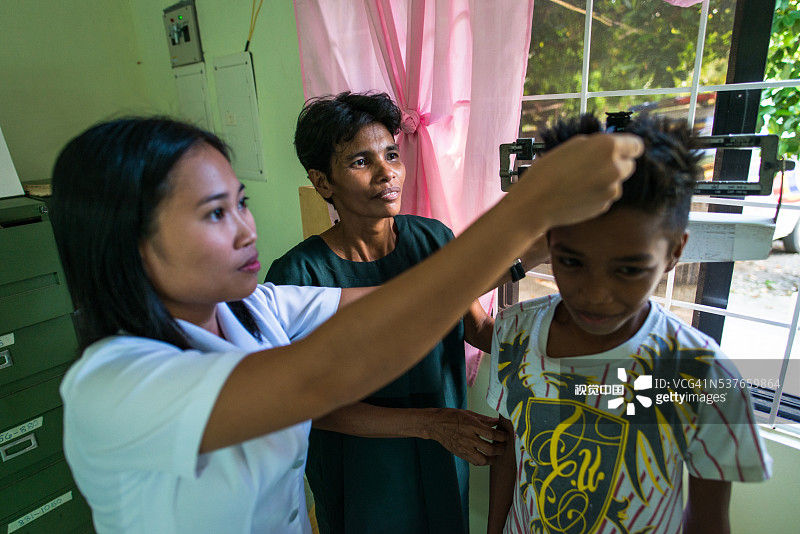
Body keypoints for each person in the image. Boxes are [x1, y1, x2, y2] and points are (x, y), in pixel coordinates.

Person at [49, 116, 642, 534]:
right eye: (213, 213)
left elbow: (413, 303)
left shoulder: (257, 308)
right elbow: (325, 375)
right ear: (130, 242)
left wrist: (554, 239)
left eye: (241, 202)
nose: (246, 230)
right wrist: (530, 205)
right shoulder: (116, 385)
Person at [485, 114, 773, 534]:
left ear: (673, 253)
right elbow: (511, 451)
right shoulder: (516, 333)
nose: (595, 294)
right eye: (571, 262)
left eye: (628, 270)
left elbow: (709, 519)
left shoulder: (702, 373)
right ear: (548, 243)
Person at [266, 91, 528, 533]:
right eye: (360, 162)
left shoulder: (434, 240)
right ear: (322, 182)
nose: (387, 173)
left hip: (444, 455)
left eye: (391, 154)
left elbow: (478, 327)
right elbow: (302, 405)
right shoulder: (297, 275)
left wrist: (556, 337)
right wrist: (430, 424)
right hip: (364, 471)